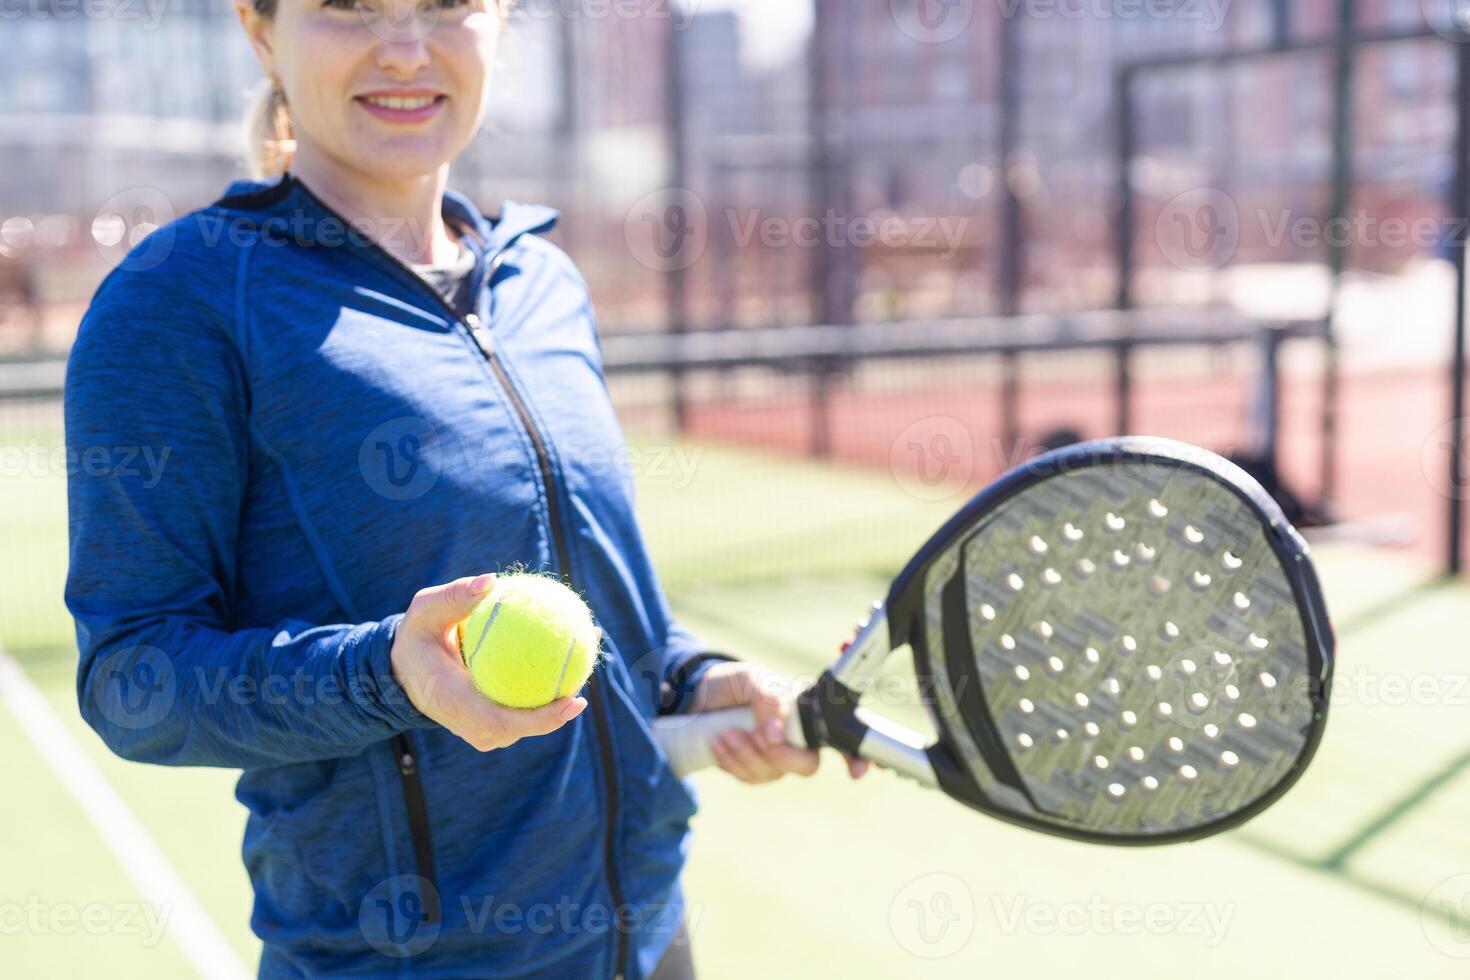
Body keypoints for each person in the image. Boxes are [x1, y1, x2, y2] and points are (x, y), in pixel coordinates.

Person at [63, 2, 865, 976]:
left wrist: (693, 675)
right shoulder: (177, 301)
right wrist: (387, 673)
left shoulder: (544, 281)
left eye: (447, 7)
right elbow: (131, 678)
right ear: (261, 29)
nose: (406, 50)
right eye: (350, 9)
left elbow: (596, 599)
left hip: (650, 936)